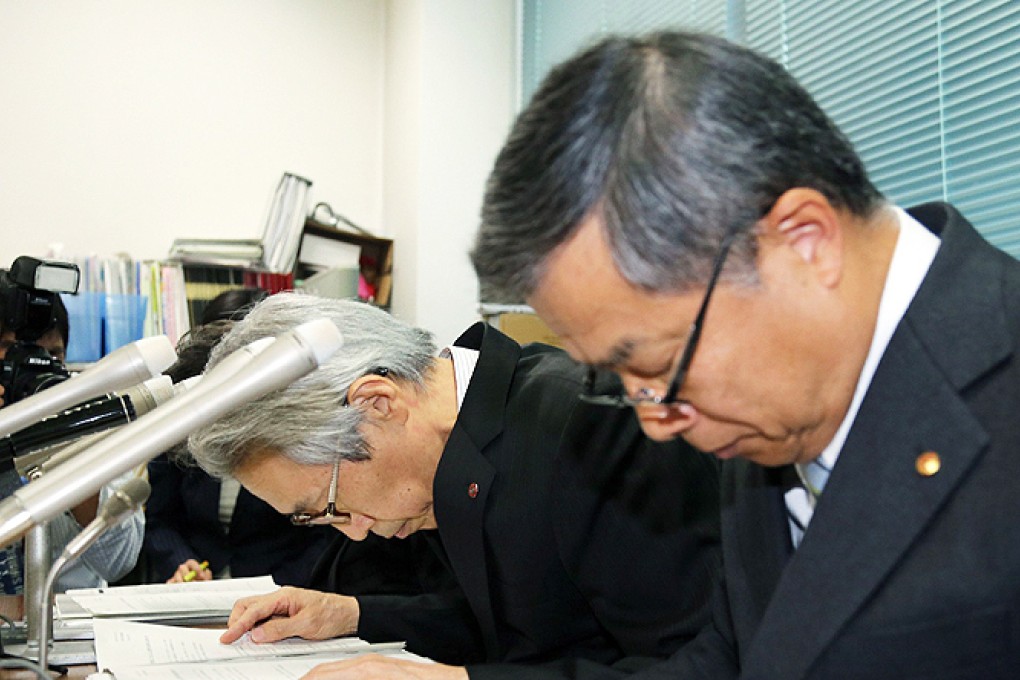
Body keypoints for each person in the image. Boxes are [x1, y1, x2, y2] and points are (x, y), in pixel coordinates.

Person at [470, 30, 1020, 679]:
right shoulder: (761, 407)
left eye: (658, 366)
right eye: (616, 380)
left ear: (804, 242)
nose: (654, 420)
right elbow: (736, 659)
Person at [187, 292, 721, 678]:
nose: (352, 533)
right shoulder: (456, 452)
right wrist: (350, 614)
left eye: (329, 504)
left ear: (378, 404)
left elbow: (699, 664)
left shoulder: (587, 427)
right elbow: (516, 617)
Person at [144, 290, 334, 585]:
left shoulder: (300, 425)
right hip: (198, 592)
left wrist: (277, 590)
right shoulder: (182, 425)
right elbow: (160, 519)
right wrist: (180, 563)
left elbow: (324, 534)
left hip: (281, 589)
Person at [0, 290, 143, 592]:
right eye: (16, 353)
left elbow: (119, 561)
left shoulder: (93, 421)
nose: (37, 373)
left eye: (52, 356)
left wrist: (71, 445)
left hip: (69, 629)